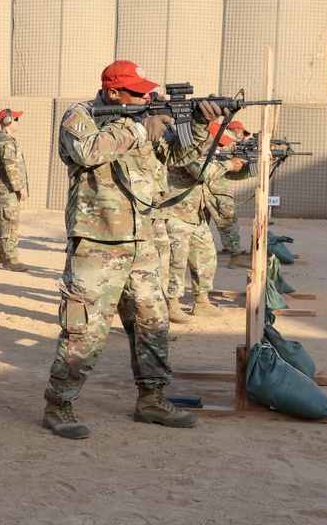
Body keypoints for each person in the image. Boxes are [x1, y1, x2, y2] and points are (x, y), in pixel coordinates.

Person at [42, 59, 231, 439]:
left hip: (143, 240)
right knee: (85, 330)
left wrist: (195, 123)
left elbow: (177, 160)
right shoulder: (81, 115)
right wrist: (137, 127)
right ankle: (59, 405)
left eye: (148, 92)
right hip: (97, 241)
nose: (147, 97)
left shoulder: (146, 119)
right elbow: (86, 152)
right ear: (114, 93)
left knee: (152, 322)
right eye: (138, 93)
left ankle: (151, 400)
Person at [164, 124, 246, 319]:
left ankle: (201, 302)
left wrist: (250, 164)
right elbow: (201, 171)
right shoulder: (186, 148)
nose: (217, 148)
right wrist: (228, 164)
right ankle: (171, 305)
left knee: (206, 256)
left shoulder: (207, 154)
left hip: (195, 214)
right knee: (176, 262)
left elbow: (226, 174)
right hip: (175, 212)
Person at [205, 120, 253, 269]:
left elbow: (232, 175)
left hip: (216, 191)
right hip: (211, 193)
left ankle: (235, 256)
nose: (224, 146)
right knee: (223, 222)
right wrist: (229, 164)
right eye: (220, 144)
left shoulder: (221, 153)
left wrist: (250, 166)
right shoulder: (199, 153)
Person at [0, 107, 29, 272]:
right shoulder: (6, 141)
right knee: (10, 222)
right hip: (7, 188)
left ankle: (3, 256)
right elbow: (10, 166)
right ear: (7, 121)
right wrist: (20, 187)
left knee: (5, 221)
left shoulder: (5, 139)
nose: (17, 121)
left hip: (5, 187)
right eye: (15, 119)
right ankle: (11, 259)